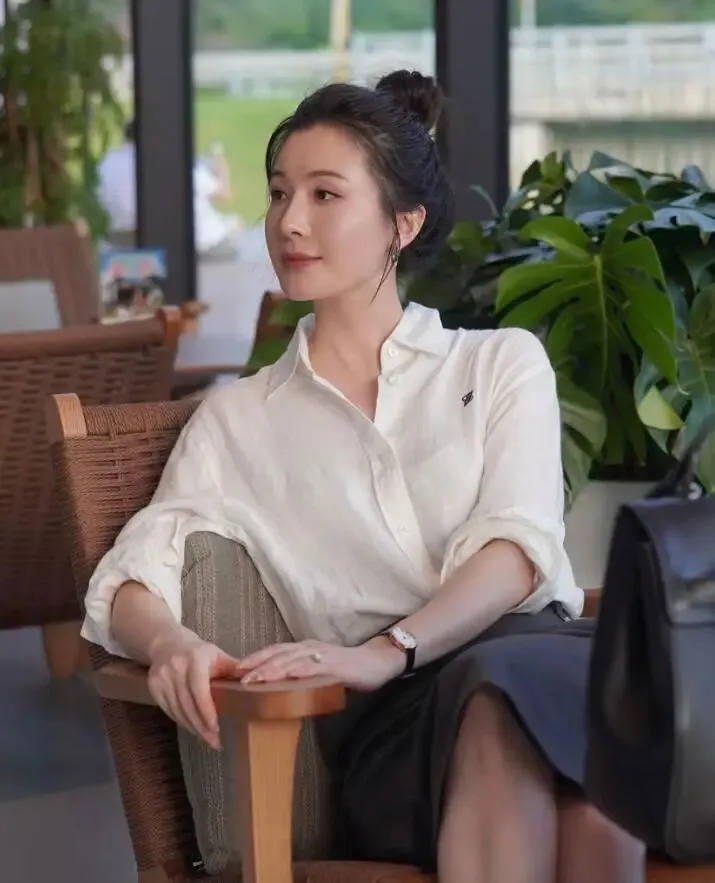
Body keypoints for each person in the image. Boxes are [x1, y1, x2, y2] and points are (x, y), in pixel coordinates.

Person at [82, 70, 645, 883]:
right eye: (279, 194)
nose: (289, 221)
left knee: (582, 779)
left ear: (400, 225)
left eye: (324, 194)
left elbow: (516, 552)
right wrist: (170, 643)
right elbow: (133, 575)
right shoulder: (238, 418)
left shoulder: (499, 364)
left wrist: (391, 647)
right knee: (535, 737)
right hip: (394, 729)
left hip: (531, 655)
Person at [97, 120, 243, 257]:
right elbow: (224, 195)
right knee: (236, 235)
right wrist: (222, 168)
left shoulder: (107, 161)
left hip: (118, 242)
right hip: (177, 246)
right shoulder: (170, 160)